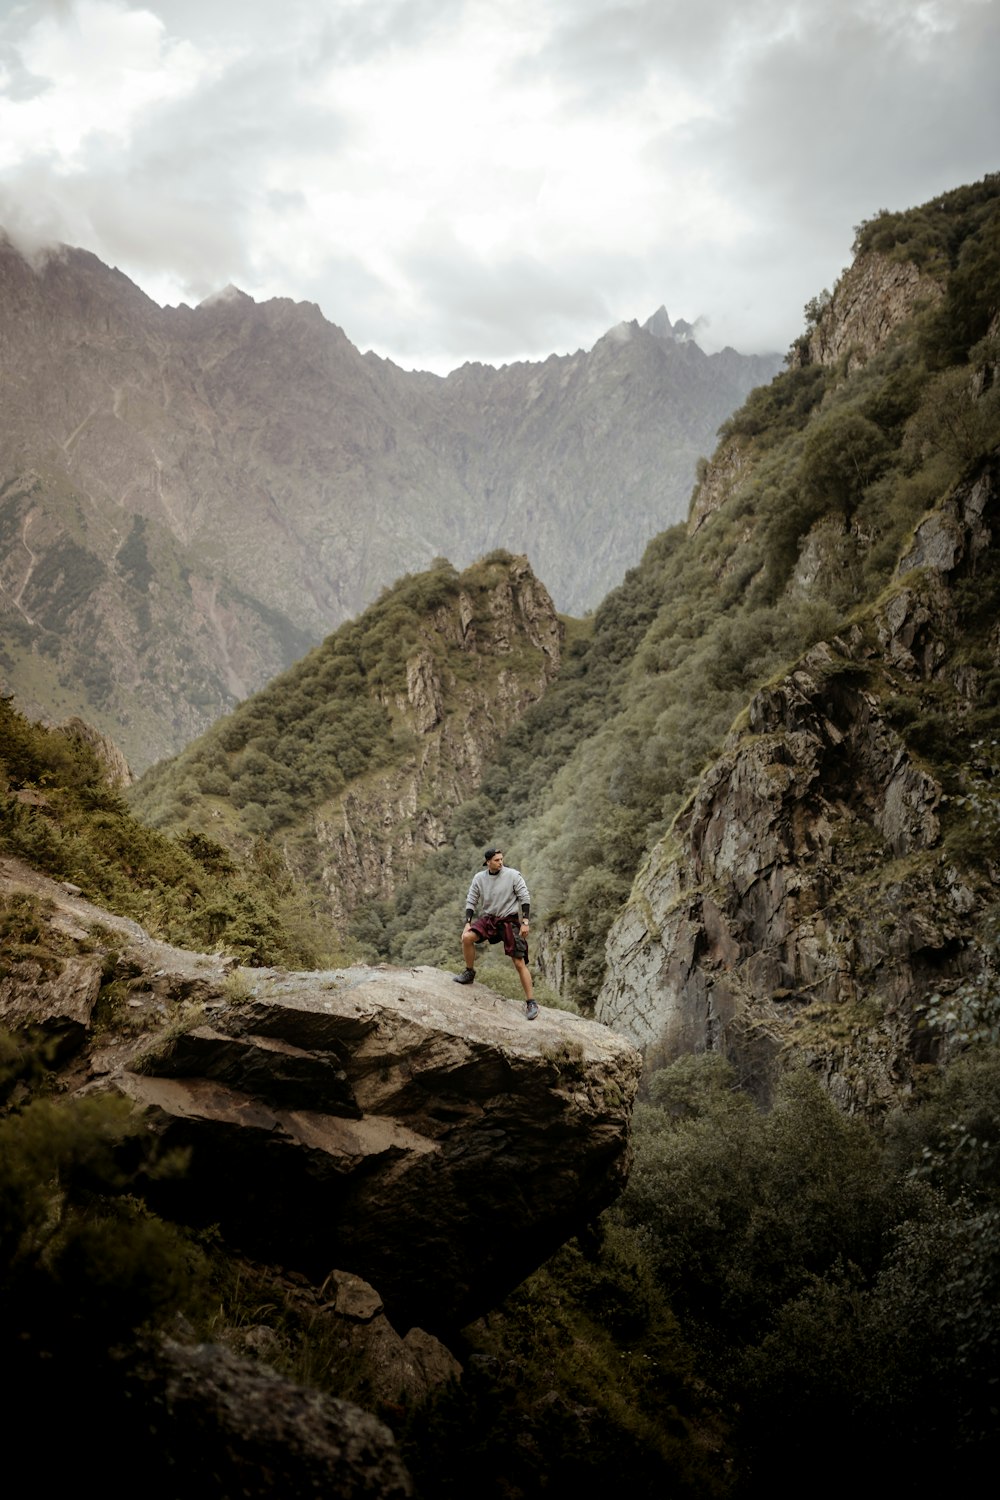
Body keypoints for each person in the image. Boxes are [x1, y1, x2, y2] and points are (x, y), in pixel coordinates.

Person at [454, 846, 539, 1020]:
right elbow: (471, 900)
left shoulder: (513, 875)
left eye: (501, 859)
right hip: (490, 918)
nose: (501, 862)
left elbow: (525, 897)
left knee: (518, 962)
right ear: (488, 862)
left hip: (510, 920)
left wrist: (525, 922)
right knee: (467, 937)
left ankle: (531, 1002)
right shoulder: (479, 878)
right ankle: (469, 972)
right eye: (496, 860)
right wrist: (467, 923)